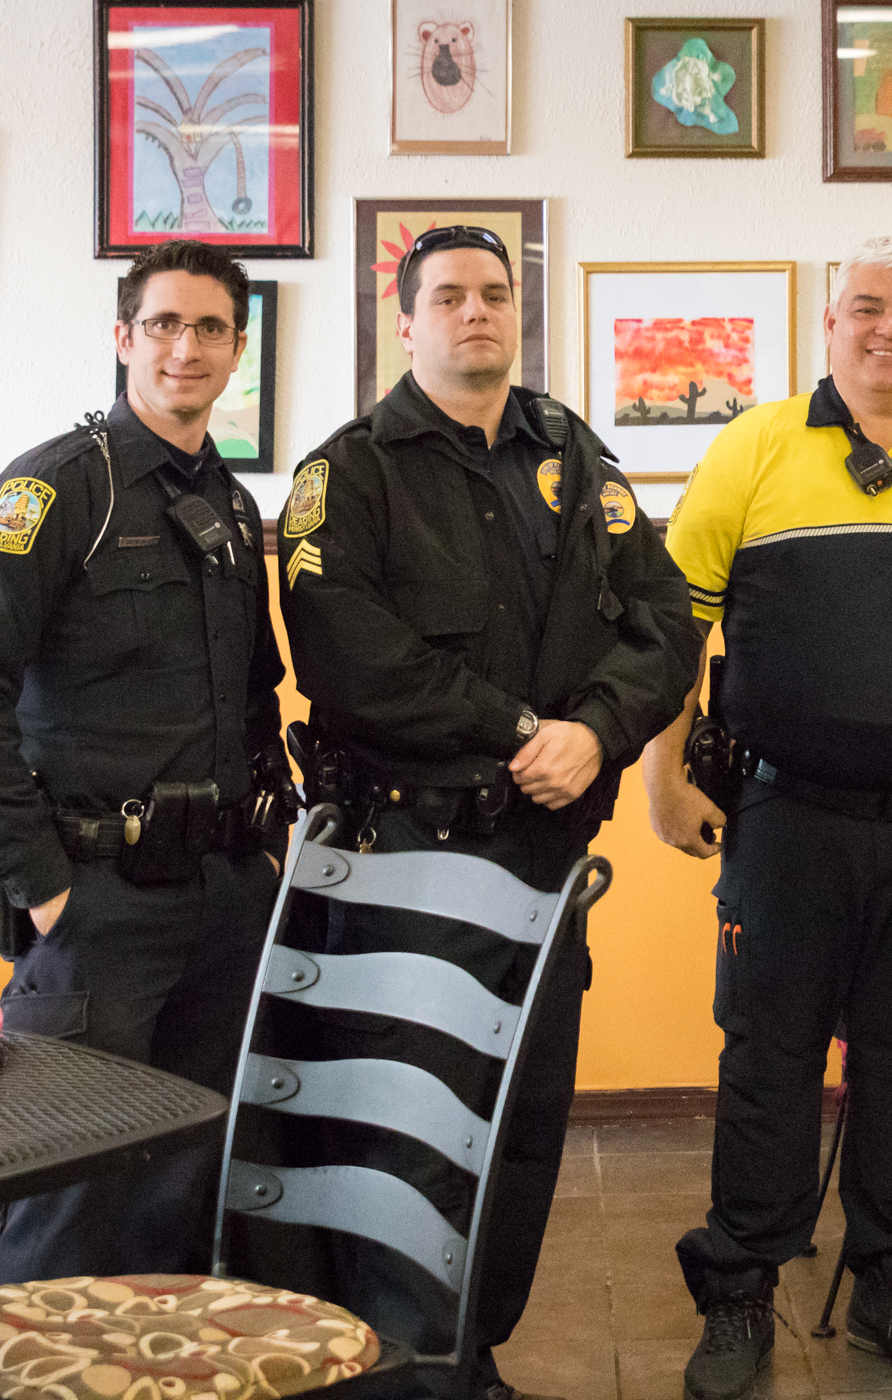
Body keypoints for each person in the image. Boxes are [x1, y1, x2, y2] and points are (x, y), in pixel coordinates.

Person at [276, 225, 699, 1400]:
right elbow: (353, 659)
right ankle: (399, 1367)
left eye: (496, 293)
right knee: (405, 1130)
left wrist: (598, 730)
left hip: (542, 861)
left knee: (520, 1126)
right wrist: (522, 730)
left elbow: (666, 619)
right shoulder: (350, 473)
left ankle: (472, 1353)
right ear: (406, 321)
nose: (477, 311)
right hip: (405, 859)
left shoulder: (572, 452)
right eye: (450, 294)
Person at [645, 234, 892, 1399]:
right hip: (788, 822)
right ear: (829, 323)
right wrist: (663, 778)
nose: (888, 329)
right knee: (767, 1059)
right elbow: (676, 625)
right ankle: (740, 1288)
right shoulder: (756, 445)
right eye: (866, 307)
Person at [0, 239, 294, 1283]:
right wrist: (42, 885)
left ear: (238, 350)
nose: (188, 347)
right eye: (166, 323)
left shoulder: (230, 505)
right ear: (125, 336)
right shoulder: (54, 491)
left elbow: (252, 696)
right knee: (70, 1197)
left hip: (223, 899)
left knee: (190, 1187)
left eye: (212, 327)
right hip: (99, 904)